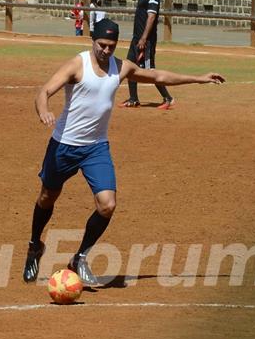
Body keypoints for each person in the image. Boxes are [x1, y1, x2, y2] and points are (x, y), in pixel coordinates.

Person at [23, 19, 225, 285]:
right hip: (64, 145)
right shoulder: (78, 64)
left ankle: (80, 257)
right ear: (92, 41)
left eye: (111, 46)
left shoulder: (121, 67)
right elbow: (45, 91)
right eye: (102, 45)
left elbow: (158, 76)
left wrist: (198, 78)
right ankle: (35, 245)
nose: (106, 51)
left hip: (96, 148)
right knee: (47, 197)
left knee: (107, 205)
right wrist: (44, 110)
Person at [121, 0, 174, 109]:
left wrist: (144, 38)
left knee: (150, 72)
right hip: (136, 38)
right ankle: (133, 99)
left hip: (146, 40)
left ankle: (167, 97)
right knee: (129, 67)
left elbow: (151, 17)